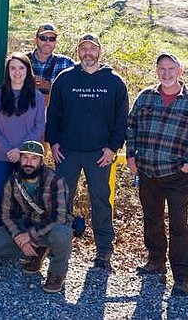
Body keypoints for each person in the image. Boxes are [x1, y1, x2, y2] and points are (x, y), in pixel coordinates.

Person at [126, 53, 188, 296]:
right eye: (161, 68)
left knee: (178, 225)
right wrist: (131, 155)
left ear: (180, 70)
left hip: (177, 175)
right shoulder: (145, 97)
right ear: (156, 70)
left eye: (171, 68)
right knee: (152, 219)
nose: (166, 73)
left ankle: (181, 276)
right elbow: (131, 126)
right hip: (148, 171)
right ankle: (156, 261)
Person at [46, 33, 129, 270]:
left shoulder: (114, 82)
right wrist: (53, 143)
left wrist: (113, 149)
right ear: (77, 51)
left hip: (99, 156)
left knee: (101, 202)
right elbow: (54, 114)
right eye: (83, 49)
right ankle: (59, 248)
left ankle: (104, 251)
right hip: (68, 152)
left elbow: (121, 119)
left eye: (92, 49)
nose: (88, 53)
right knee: (61, 200)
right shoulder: (65, 79)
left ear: (99, 52)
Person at [0, 141, 73, 293]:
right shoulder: (13, 181)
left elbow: (58, 216)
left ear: (42, 161)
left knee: (61, 234)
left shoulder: (55, 180)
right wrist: (18, 237)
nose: (29, 163)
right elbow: (6, 214)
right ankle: (37, 250)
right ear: (20, 159)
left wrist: (29, 235)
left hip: (51, 227)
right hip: (27, 224)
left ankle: (57, 273)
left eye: (34, 158)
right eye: (25, 158)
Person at [0, 52, 45, 231]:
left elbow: (39, 126)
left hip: (27, 159)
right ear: (8, 71)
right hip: (1, 155)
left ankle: (23, 237)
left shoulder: (36, 97)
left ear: (28, 71)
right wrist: (8, 150)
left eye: (21, 68)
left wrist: (21, 150)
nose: (17, 72)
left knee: (26, 198)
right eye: (13, 68)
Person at [28, 23, 74, 99]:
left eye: (52, 39)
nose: (47, 42)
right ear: (35, 40)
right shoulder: (22, 61)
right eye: (43, 38)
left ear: (56, 42)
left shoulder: (67, 63)